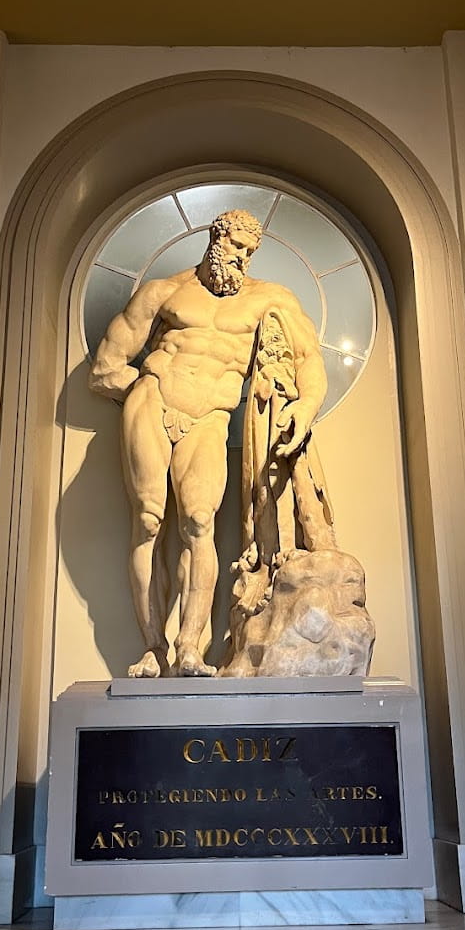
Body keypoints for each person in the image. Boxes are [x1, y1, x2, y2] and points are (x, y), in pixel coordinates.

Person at [89, 208, 327, 677]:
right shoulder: (165, 292)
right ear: (215, 238)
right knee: (148, 519)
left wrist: (306, 406)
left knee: (200, 522)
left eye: (250, 251)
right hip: (153, 400)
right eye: (236, 246)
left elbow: (307, 360)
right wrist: (144, 386)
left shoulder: (269, 300)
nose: (242, 257)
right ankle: (154, 648)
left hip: (211, 416)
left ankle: (190, 648)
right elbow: (104, 368)